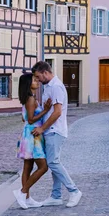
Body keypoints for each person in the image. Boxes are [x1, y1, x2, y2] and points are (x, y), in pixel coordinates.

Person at [31, 61, 82, 208]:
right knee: (54, 162)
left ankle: (74, 191)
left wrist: (42, 128)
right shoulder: (49, 86)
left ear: (45, 73)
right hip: (50, 130)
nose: (38, 80)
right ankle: (56, 195)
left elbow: (57, 112)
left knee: (53, 162)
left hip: (55, 130)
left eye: (38, 76)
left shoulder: (56, 87)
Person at [14, 73, 52, 210]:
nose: (37, 82)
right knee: (43, 167)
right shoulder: (30, 99)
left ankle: (27, 198)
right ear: (28, 84)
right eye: (34, 80)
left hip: (28, 134)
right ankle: (23, 192)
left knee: (28, 168)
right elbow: (30, 119)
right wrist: (45, 110)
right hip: (33, 136)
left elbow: (24, 119)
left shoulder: (28, 98)